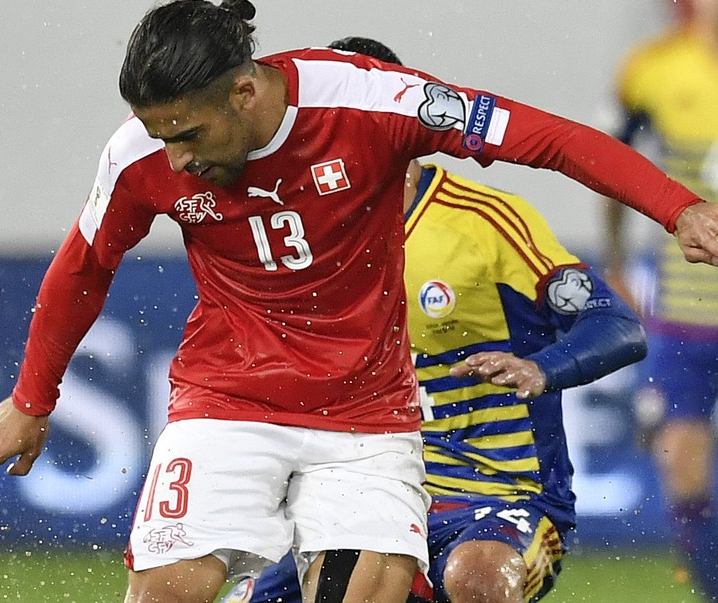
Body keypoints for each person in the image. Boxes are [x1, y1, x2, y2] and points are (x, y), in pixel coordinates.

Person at [0, 2, 718, 602]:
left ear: (245, 92)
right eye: (157, 133)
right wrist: (31, 397)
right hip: (227, 400)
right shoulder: (142, 147)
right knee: (167, 591)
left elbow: (545, 137)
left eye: (187, 134)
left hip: (366, 417)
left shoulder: (374, 104)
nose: (172, 157)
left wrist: (675, 207)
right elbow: (84, 264)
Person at [219, 36, 647, 603]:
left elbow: (617, 325)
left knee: (476, 581)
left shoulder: (486, 224)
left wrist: (540, 368)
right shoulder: (298, 237)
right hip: (370, 497)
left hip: (505, 500)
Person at [604, 1, 718, 601]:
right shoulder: (653, 68)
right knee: (682, 475)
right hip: (687, 312)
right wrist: (616, 263)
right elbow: (609, 164)